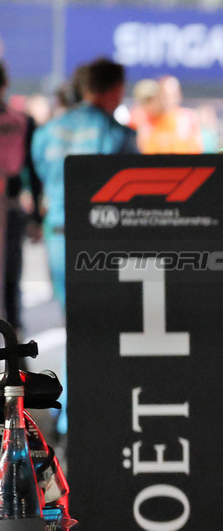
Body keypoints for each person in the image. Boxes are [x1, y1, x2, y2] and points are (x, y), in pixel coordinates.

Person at [31, 58, 139, 313]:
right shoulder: (118, 134)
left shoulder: (47, 131)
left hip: (58, 231)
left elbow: (40, 173)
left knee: (71, 317)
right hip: (102, 235)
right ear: (117, 90)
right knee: (102, 320)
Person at [1, 62, 44, 331]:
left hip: (11, 206)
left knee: (11, 270)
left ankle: (13, 325)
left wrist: (37, 217)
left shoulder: (22, 121)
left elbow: (33, 168)